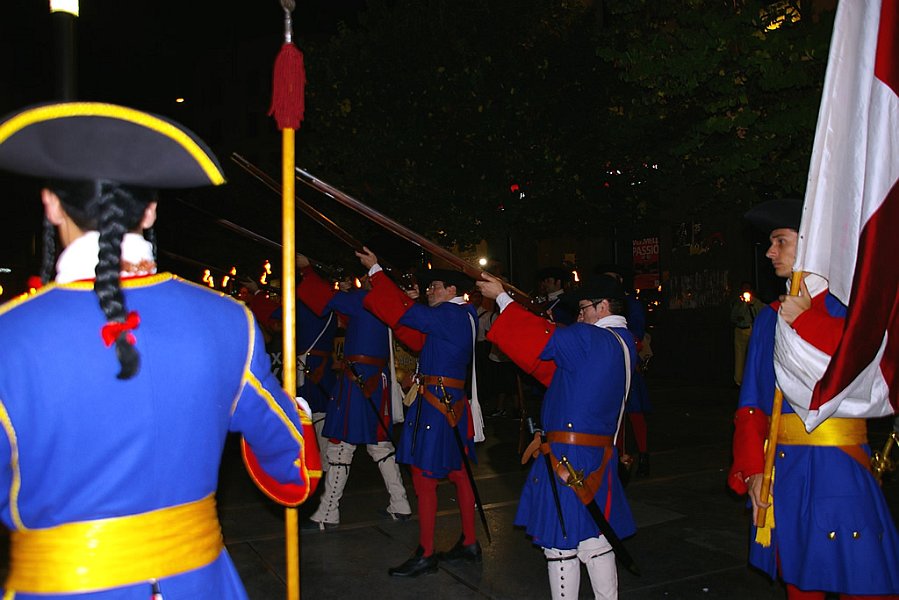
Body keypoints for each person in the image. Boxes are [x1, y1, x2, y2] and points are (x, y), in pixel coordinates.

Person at [0, 101, 321, 599]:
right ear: (150, 210)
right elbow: (293, 472)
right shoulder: (229, 320)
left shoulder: (10, 333)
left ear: (52, 205)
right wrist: (295, 412)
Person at [728, 198, 899, 598]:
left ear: (811, 244)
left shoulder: (851, 308)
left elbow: (870, 362)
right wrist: (754, 470)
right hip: (785, 468)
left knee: (865, 580)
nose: (770, 252)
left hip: (840, 464)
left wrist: (806, 320)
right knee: (800, 582)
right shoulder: (769, 317)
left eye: (780, 241)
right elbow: (752, 403)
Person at [478, 272, 637, 600]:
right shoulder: (622, 341)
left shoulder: (588, 338)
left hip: (569, 456)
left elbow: (540, 340)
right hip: (596, 454)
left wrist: (503, 298)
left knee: (560, 546)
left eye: (584, 308)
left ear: (603, 306)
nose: (579, 316)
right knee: (595, 541)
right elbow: (558, 366)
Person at [356, 248, 485, 578]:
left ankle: (426, 553)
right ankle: (470, 543)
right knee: (457, 472)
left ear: (452, 290)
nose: (429, 291)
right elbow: (412, 334)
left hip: (437, 404)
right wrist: (407, 302)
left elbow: (409, 316)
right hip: (445, 402)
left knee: (424, 478)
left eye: (435, 286)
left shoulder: (451, 314)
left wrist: (377, 271)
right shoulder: (459, 315)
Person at [295, 255, 411, 529]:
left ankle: (328, 512)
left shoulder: (364, 300)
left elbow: (325, 298)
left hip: (357, 381)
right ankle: (400, 503)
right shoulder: (386, 301)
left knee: (340, 446)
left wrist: (307, 270)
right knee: (379, 445)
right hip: (375, 380)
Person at [596, 264, 651, 477]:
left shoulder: (631, 304)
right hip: (606, 365)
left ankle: (643, 455)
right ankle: (616, 457)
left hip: (626, 361)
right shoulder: (599, 304)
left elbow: (637, 332)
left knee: (634, 412)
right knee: (612, 412)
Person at [729, 281, 765, 387]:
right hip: (739, 330)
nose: (745, 291)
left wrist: (751, 305)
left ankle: (753, 380)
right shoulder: (738, 302)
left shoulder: (756, 302)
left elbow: (761, 314)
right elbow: (732, 316)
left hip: (750, 330)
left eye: (747, 288)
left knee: (752, 355)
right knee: (739, 356)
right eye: (743, 288)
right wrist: (738, 316)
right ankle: (738, 380)